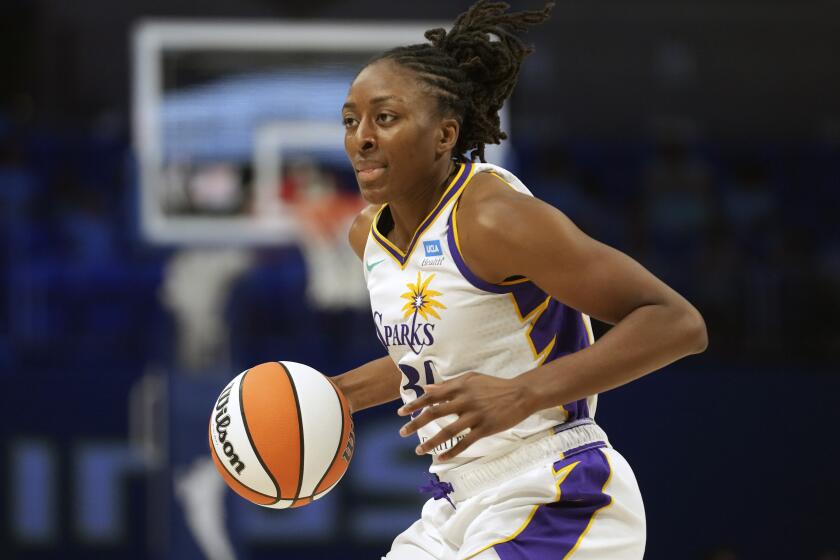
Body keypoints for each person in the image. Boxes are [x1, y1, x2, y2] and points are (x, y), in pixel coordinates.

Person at [333, 2, 708, 559]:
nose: (361, 137)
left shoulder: (493, 217)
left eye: (384, 118)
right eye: (350, 120)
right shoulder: (368, 236)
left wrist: (522, 393)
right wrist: (333, 397)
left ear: (444, 135)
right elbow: (449, 348)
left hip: (556, 489)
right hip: (452, 507)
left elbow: (677, 322)